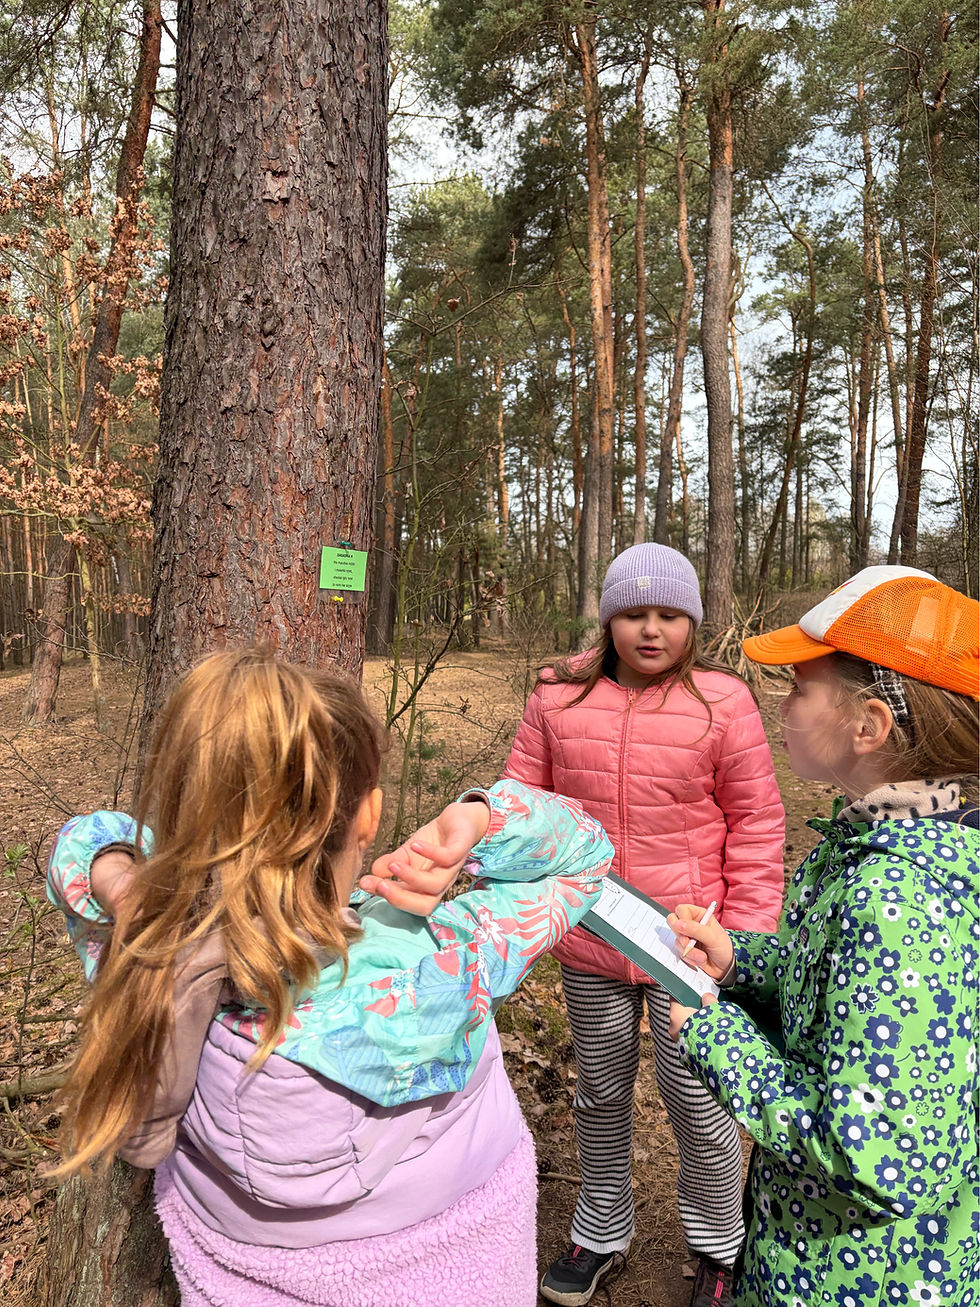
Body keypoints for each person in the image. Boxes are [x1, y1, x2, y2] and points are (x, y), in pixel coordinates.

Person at [46, 648, 614, 1307]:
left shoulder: (149, 954)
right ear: (369, 816)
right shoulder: (448, 961)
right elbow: (585, 855)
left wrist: (134, 890)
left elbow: (82, 844)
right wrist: (479, 820)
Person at [666, 565, 980, 1307]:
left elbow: (872, 1160)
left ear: (869, 725)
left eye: (800, 688)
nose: (782, 704)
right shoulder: (892, 841)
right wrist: (742, 961)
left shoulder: (899, 897)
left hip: (852, 1277)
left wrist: (713, 1036)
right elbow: (856, 992)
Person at [503, 543, 786, 1307]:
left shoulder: (723, 702)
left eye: (669, 614)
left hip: (687, 945)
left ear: (693, 621)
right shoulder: (558, 695)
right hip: (590, 937)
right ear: (608, 619)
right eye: (633, 613)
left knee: (697, 1095)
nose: (651, 629)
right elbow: (521, 802)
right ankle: (601, 1227)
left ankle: (720, 1243)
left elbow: (757, 826)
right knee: (599, 1091)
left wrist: (741, 942)